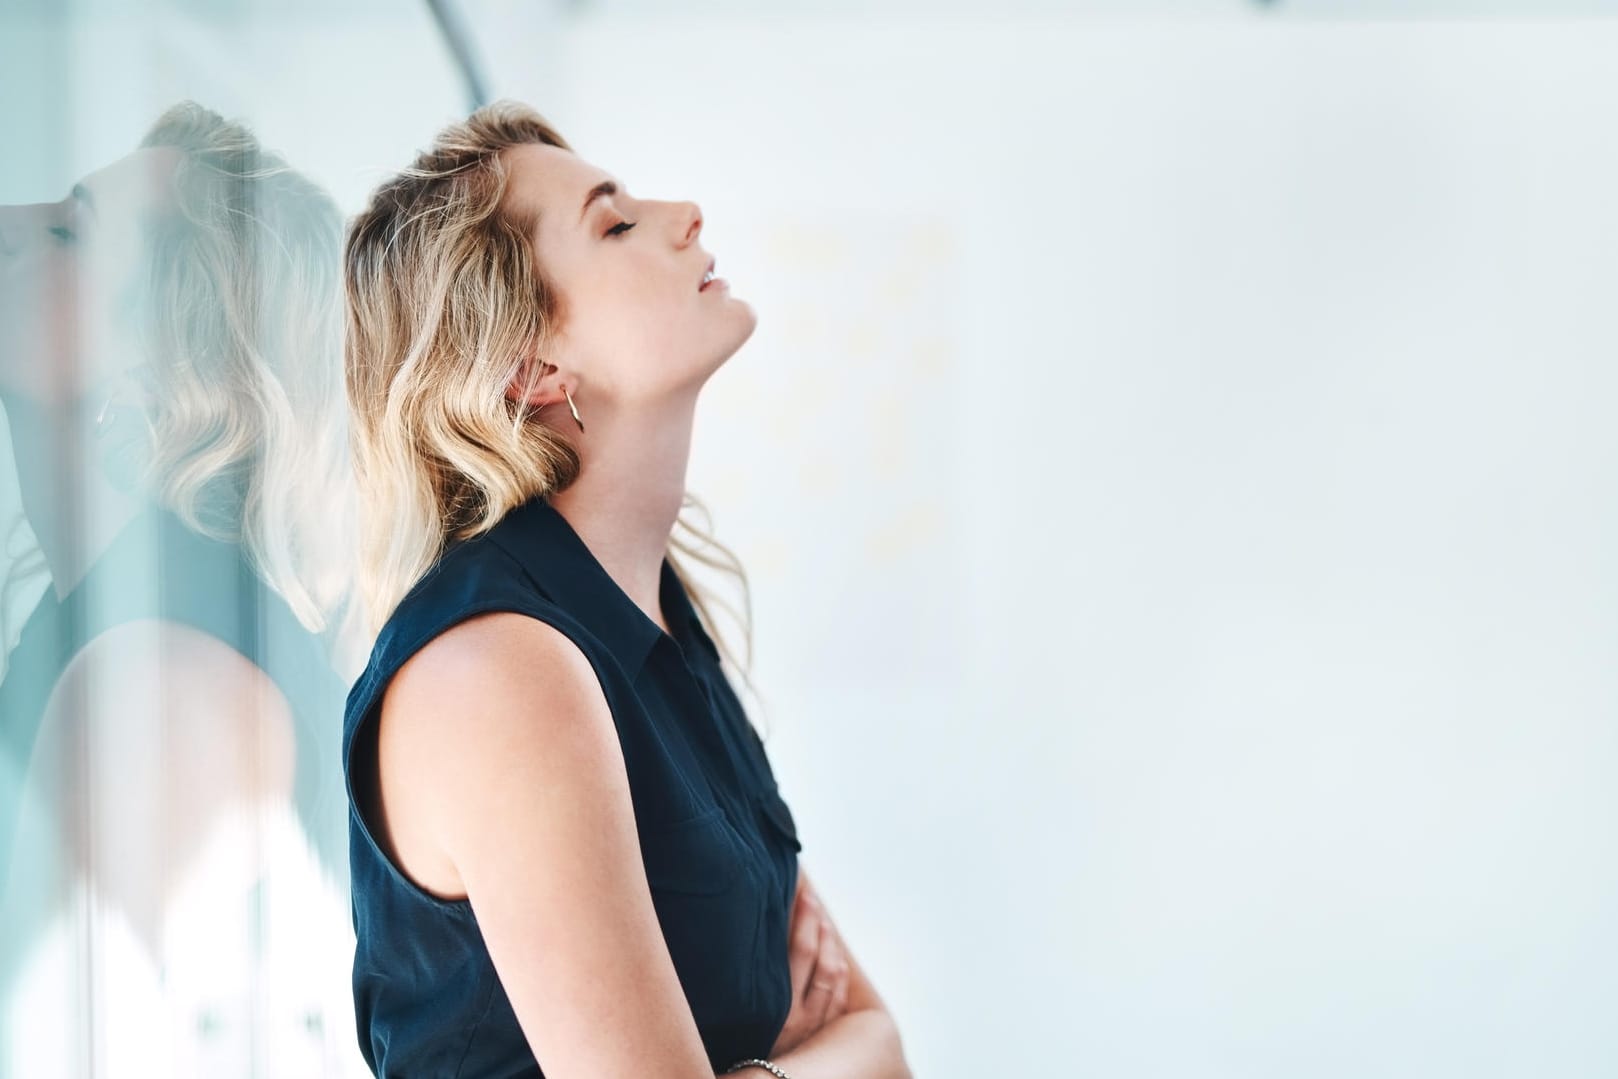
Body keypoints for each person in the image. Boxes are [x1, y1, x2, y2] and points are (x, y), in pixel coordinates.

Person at [340, 100, 912, 1078]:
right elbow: (856, 1043)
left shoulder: (654, 612)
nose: (685, 211)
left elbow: (883, 1038)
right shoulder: (498, 667)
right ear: (533, 366)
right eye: (614, 223)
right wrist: (808, 1059)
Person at [0, 101, 359, 1071]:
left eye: (70, 230)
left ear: (158, 369)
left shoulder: (168, 678)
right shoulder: (111, 616)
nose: (7, 217)